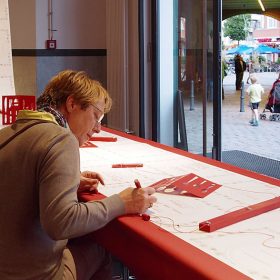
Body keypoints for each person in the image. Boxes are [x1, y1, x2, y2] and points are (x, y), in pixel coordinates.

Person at [0, 70, 157, 280]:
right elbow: (62, 222)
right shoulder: (61, 139)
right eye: (96, 116)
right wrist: (122, 202)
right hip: (36, 275)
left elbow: (18, 185)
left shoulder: (8, 133)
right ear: (72, 104)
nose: (99, 128)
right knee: (101, 249)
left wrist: (69, 182)